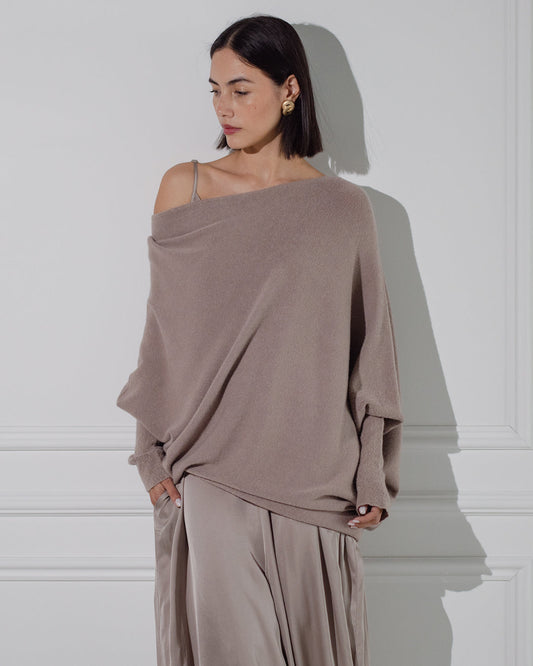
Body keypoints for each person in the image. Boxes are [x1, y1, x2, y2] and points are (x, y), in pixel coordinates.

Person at [116, 13, 403, 666]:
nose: (224, 107)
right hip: (209, 464)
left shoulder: (341, 208)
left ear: (289, 89)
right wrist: (148, 455)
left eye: (241, 89)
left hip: (316, 477)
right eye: (215, 90)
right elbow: (163, 335)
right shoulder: (185, 187)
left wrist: (373, 472)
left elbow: (371, 347)